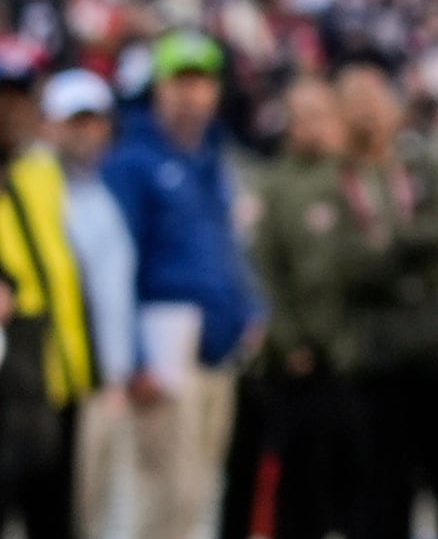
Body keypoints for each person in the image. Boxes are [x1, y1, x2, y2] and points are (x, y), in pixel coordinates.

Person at [103, 33, 255, 539]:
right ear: (159, 88)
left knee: (197, 495)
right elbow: (116, 264)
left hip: (218, 343)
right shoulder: (132, 160)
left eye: (202, 82)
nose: (192, 94)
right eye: (181, 82)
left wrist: (252, 307)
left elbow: (228, 245)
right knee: (162, 496)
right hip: (166, 337)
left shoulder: (212, 157)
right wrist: (136, 355)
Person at [336, 58, 438, 539]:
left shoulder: (424, 163)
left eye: (373, 102)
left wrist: (395, 240)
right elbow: (342, 261)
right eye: (353, 104)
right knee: (382, 492)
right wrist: (405, 249)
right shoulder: (332, 178)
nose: (365, 115)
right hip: (372, 356)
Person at [245, 79, 358, 539]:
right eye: (302, 115)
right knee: (300, 483)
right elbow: (264, 271)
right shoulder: (274, 186)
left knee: (358, 481)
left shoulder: (357, 177)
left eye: (321, 114)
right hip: (302, 360)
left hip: (359, 353)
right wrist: (289, 339)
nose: (313, 126)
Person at [0, 49, 92, 539]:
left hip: (49, 379)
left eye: (20, 98)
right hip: (11, 374)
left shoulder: (42, 173)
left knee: (54, 517)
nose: (11, 111)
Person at [44, 77, 134, 539]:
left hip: (106, 380)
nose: (87, 133)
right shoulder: (39, 192)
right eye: (75, 122)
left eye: (94, 122)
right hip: (59, 383)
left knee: (97, 511)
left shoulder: (102, 190)